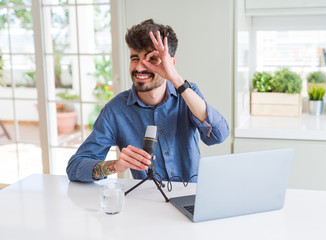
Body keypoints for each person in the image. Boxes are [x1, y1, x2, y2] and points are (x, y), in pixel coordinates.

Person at [66, 19, 229, 183]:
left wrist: (177, 80)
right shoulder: (115, 110)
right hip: (148, 202)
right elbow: (75, 167)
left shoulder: (187, 94)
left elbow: (218, 135)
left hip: (192, 199)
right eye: (135, 58)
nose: (139, 67)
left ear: (169, 63)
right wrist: (115, 165)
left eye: (152, 59)